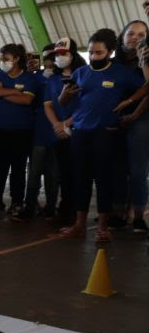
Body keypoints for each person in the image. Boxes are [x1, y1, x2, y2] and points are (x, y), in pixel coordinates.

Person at [58, 28, 145, 243]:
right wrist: (65, 94)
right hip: (80, 133)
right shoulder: (81, 73)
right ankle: (79, 224)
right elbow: (62, 102)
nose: (94, 57)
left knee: (104, 179)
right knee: (81, 179)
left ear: (110, 51)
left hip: (105, 134)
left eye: (99, 53)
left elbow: (145, 88)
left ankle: (103, 226)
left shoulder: (121, 73)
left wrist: (129, 103)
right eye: (91, 52)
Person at [0, 43, 38, 216]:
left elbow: (27, 101)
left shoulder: (29, 78)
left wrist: (3, 91)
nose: (2, 62)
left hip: (22, 131)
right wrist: (15, 92)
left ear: (16, 59)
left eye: (6, 59)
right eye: (0, 59)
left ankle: (16, 203)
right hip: (0, 130)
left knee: (18, 169)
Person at [43, 37, 85, 223]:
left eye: (63, 53)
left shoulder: (84, 75)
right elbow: (48, 105)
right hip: (59, 131)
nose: (59, 57)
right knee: (63, 172)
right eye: (56, 54)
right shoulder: (53, 79)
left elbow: (87, 106)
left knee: (79, 172)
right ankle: (65, 207)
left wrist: (67, 123)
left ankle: (78, 211)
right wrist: (57, 125)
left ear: (72, 54)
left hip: (80, 130)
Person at [16, 44, 60, 221]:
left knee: (53, 174)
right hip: (39, 132)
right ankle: (29, 206)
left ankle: (51, 207)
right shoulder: (36, 77)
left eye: (52, 56)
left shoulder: (63, 78)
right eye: (46, 57)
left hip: (57, 133)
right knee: (34, 173)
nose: (48, 60)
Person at [113, 20, 149, 233]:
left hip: (142, 118)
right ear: (123, 36)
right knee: (117, 169)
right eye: (131, 33)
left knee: (138, 170)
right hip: (115, 118)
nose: (135, 37)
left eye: (141, 34)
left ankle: (137, 216)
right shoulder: (112, 62)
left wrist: (134, 115)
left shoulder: (146, 61)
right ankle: (118, 214)